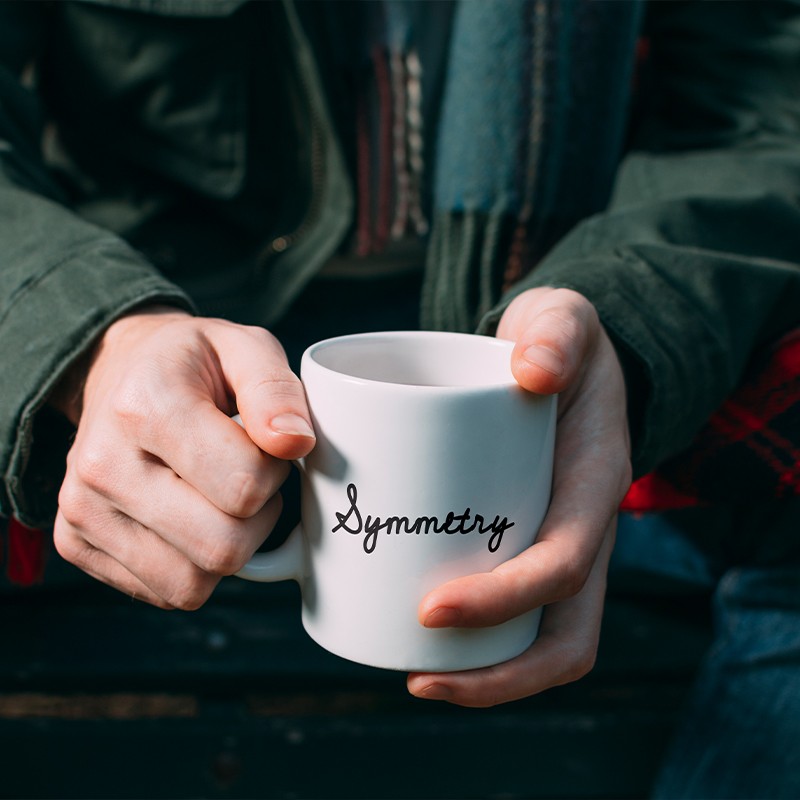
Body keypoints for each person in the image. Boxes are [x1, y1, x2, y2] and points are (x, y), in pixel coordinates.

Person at [1, 1, 800, 795]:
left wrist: (629, 321)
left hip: (555, 289)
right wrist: (93, 336)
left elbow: (763, 105)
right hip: (163, 306)